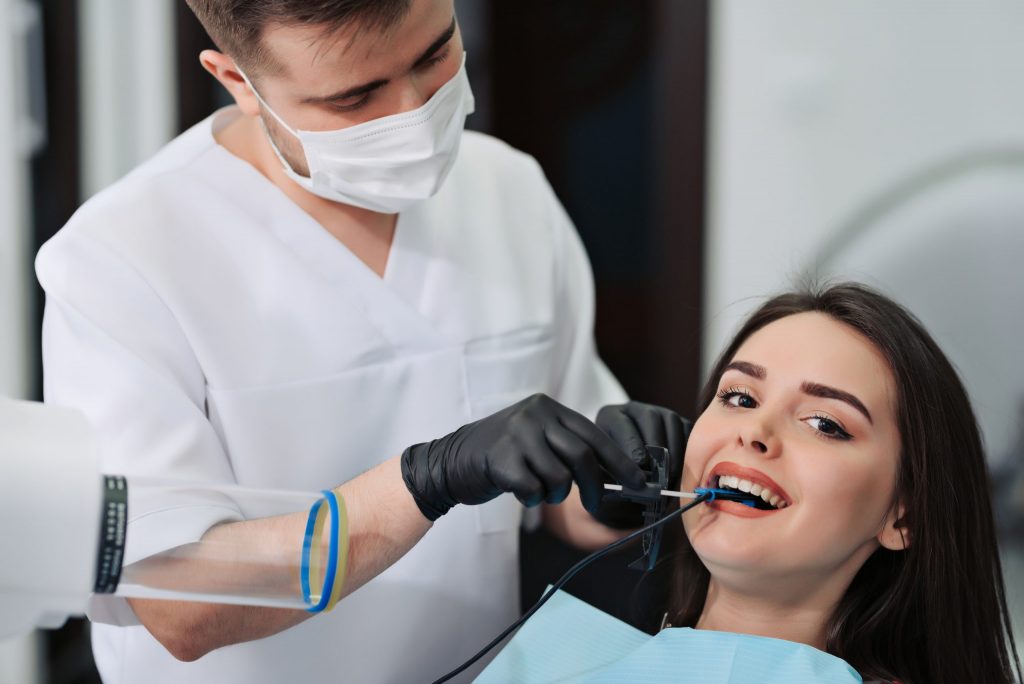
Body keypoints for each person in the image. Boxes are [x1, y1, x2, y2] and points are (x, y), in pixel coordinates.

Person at [34, 1, 687, 682]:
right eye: (355, 96)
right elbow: (181, 603)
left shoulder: (509, 191)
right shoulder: (122, 257)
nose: (413, 112)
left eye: (433, 54)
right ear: (237, 82)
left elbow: (565, 506)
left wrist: (617, 491)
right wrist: (427, 480)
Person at [479, 283, 1022, 683]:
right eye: (739, 397)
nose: (756, 432)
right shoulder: (557, 660)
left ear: (903, 516)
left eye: (825, 423)